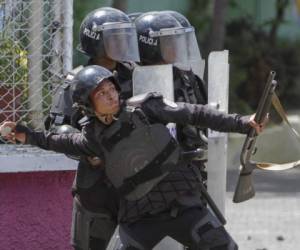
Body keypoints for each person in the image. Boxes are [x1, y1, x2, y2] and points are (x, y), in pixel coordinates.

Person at [1, 65, 266, 250]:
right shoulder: (93, 138)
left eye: (111, 89)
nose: (110, 96)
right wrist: (25, 134)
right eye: (101, 94)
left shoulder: (147, 108)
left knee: (224, 247)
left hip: (183, 206)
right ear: (87, 106)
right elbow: (57, 140)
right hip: (139, 219)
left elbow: (197, 113)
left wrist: (243, 122)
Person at [45, 7, 140, 250]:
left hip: (140, 183)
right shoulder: (76, 82)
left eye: (124, 35)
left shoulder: (140, 77)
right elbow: (57, 129)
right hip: (97, 188)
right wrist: (90, 152)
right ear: (96, 42)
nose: (122, 43)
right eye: (114, 37)